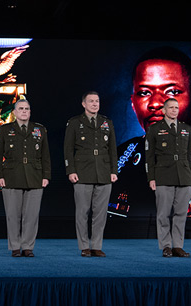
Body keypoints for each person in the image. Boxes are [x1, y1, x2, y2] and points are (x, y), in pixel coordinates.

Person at [112, 46, 191, 216]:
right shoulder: (122, 156)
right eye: (145, 92)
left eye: (172, 92)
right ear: (133, 104)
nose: (155, 103)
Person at [0, 98, 51, 257]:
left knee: (31, 216)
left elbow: (46, 155)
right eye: (21, 108)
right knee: (13, 215)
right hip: (11, 176)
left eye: (27, 109)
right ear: (14, 112)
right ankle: (15, 247)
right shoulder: (5, 130)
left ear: (30, 112)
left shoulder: (39, 129)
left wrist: (46, 175)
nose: (24, 111)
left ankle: (27, 247)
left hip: (35, 176)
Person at [64, 91, 118, 257]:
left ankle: (96, 246)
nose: (95, 104)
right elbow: (68, 149)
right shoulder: (74, 123)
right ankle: (84, 246)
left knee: (100, 213)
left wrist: (113, 171)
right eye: (91, 101)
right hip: (82, 173)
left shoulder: (106, 122)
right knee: (82, 212)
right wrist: (70, 170)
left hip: (103, 172)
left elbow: (112, 149)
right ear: (83, 104)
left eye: (97, 101)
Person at [145, 98, 191, 257]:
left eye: (176, 107)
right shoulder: (154, 129)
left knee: (181, 214)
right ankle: (166, 246)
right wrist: (151, 177)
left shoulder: (186, 128)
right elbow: (149, 157)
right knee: (163, 214)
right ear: (164, 110)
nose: (174, 110)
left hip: (184, 176)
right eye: (171, 107)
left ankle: (178, 246)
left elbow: (189, 156)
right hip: (163, 175)